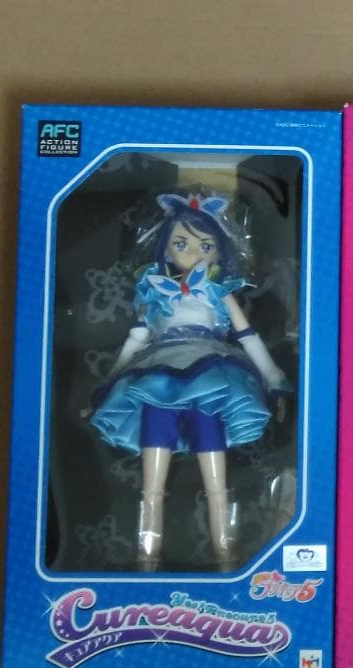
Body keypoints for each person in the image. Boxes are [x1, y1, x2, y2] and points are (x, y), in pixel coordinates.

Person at [88, 192, 289, 571]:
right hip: (158, 375)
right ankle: (146, 557)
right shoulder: (154, 291)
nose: (194, 253)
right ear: (165, 247)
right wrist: (109, 385)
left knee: (216, 482)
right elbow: (136, 339)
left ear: (218, 252)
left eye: (205, 246)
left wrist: (273, 378)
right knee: (152, 484)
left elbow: (248, 337)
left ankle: (227, 555)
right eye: (182, 243)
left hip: (210, 377)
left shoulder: (218, 292)